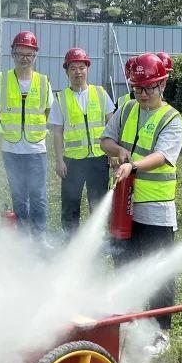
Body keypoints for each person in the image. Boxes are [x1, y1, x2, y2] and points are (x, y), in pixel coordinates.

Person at [100, 52, 182, 356]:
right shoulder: (126, 109)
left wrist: (133, 166)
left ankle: (162, 331)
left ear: (162, 84)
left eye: (150, 87)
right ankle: (130, 317)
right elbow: (105, 141)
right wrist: (122, 152)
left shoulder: (172, 119)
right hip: (126, 205)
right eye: (138, 88)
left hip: (156, 209)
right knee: (124, 261)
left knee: (159, 268)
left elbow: (163, 156)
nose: (144, 94)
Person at [0, 30, 53, 236]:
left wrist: (32, 125)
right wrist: (10, 124)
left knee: (38, 196)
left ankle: (40, 235)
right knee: (18, 196)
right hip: (11, 149)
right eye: (20, 54)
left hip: (36, 149)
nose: (24, 58)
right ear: (13, 54)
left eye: (29, 54)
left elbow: (48, 110)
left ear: (35, 56)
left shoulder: (43, 81)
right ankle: (23, 237)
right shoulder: (3, 79)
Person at [50, 47, 115, 235]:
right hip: (73, 160)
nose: (78, 72)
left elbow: (111, 123)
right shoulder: (61, 98)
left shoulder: (100, 93)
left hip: (99, 158)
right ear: (67, 71)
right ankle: (70, 237)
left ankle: (98, 237)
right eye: (73, 68)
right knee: (71, 201)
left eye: (81, 67)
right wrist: (59, 160)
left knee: (98, 201)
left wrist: (112, 152)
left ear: (88, 68)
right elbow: (57, 131)